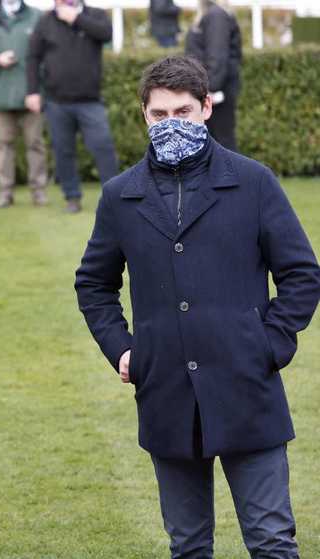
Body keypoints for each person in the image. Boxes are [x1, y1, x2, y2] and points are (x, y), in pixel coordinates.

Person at [75, 55, 320, 558]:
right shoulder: (121, 196)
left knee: (272, 541)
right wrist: (122, 349)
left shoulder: (254, 182)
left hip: (247, 384)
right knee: (187, 546)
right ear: (144, 114)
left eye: (182, 112)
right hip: (165, 390)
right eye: (160, 115)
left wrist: (270, 342)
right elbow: (93, 284)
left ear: (206, 107)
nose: (171, 125)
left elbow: (300, 273)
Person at [26, 0, 119, 214]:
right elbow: (32, 57)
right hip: (56, 101)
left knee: (103, 147)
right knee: (63, 151)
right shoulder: (46, 21)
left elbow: (106, 33)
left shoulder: (95, 14)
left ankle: (115, 197)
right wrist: (32, 91)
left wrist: (76, 18)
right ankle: (72, 197)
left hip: (90, 101)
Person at [0, 0, 48, 208]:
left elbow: (46, 51)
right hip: (2, 93)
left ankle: (39, 192)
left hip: (31, 92)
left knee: (35, 143)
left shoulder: (36, 15)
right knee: (5, 145)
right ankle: (5, 193)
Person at [185, 0, 241, 151]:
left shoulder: (216, 15)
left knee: (221, 145)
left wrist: (208, 89)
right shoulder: (213, 14)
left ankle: (231, 175)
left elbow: (217, 57)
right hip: (212, 90)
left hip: (215, 93)